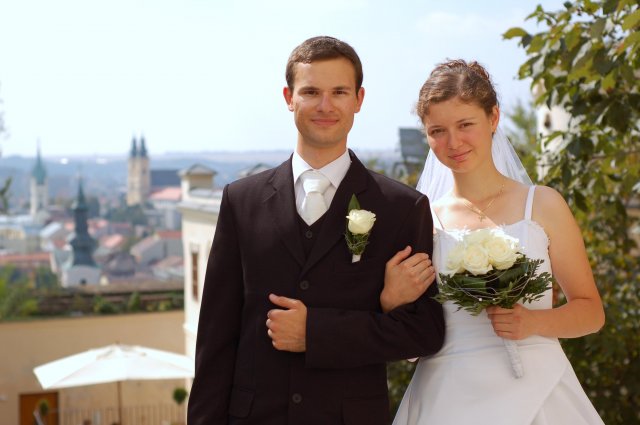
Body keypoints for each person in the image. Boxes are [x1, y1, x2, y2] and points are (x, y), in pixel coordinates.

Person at [187, 36, 445, 425]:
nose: (325, 105)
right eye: (311, 92)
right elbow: (216, 339)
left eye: (339, 92)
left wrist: (316, 333)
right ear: (289, 97)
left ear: (358, 99)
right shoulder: (241, 201)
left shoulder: (402, 208)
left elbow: (424, 332)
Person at [385, 59, 605, 425]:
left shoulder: (543, 204)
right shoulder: (423, 222)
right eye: (437, 131)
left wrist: (532, 323)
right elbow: (410, 350)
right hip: (447, 401)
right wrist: (392, 302)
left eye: (465, 124)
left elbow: (592, 313)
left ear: (494, 118)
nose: (453, 142)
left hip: (540, 393)